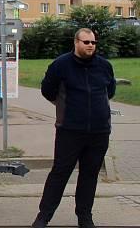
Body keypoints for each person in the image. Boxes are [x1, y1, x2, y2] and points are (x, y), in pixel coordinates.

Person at [32, 28, 116, 228]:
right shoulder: (61, 65)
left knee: (89, 175)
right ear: (76, 42)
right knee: (60, 173)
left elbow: (110, 91)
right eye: (86, 42)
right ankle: (43, 217)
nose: (90, 46)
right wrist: (65, 107)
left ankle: (85, 217)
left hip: (99, 131)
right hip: (70, 130)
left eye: (93, 43)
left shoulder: (104, 66)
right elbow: (47, 90)